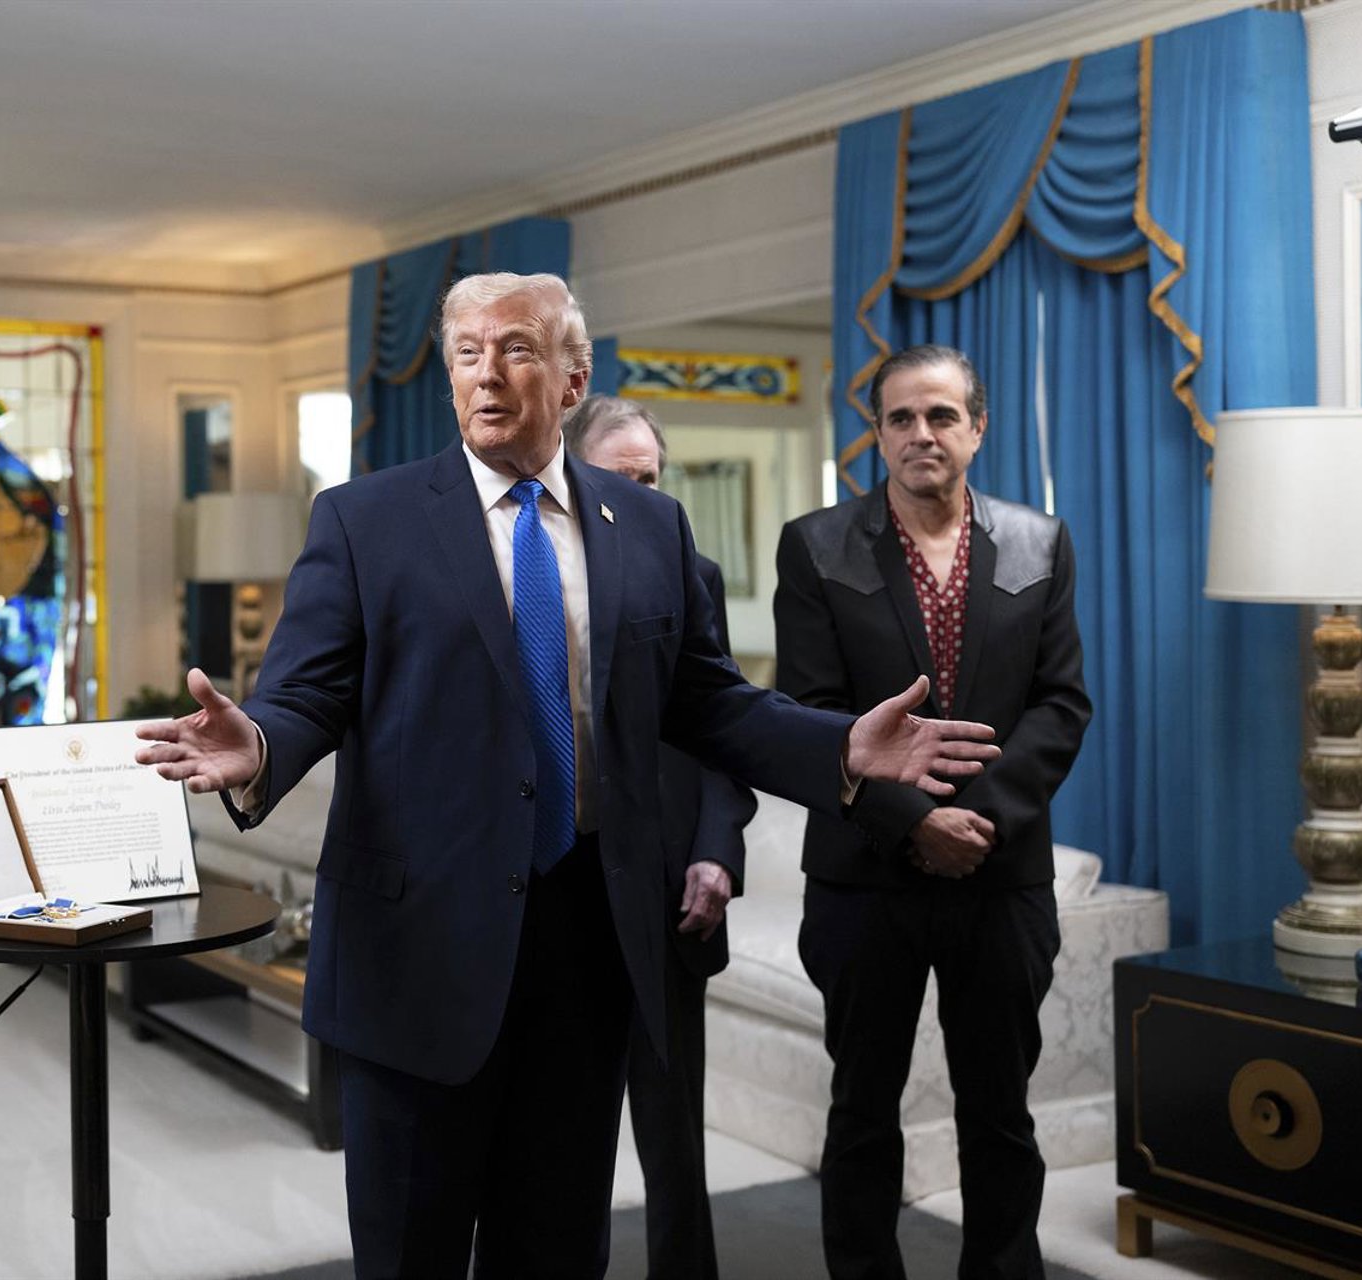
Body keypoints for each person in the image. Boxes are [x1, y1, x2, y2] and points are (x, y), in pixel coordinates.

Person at [137, 274, 1001, 1277]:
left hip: (587, 953)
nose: (487, 375)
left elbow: (710, 703)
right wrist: (260, 743)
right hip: (416, 960)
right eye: (467, 353)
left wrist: (840, 746)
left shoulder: (651, 527)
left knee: (556, 1253)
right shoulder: (364, 520)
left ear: (574, 376)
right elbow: (308, 695)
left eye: (516, 349)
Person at [773, 344, 1091, 1279]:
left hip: (1001, 872)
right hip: (863, 875)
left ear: (977, 429)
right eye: (901, 417)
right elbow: (812, 712)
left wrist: (973, 822)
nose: (922, 433)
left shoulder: (1041, 542)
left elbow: (1061, 705)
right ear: (876, 433)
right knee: (862, 1114)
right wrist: (913, 821)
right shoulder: (815, 545)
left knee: (1000, 1115)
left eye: (942, 415)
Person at [565, 393, 753, 1280]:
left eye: (653, 480)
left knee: (675, 1139)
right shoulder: (525, 576)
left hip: (674, 890)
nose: (643, 498)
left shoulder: (692, 572)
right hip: (564, 892)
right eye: (622, 479)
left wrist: (718, 850)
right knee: (559, 1142)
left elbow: (725, 727)